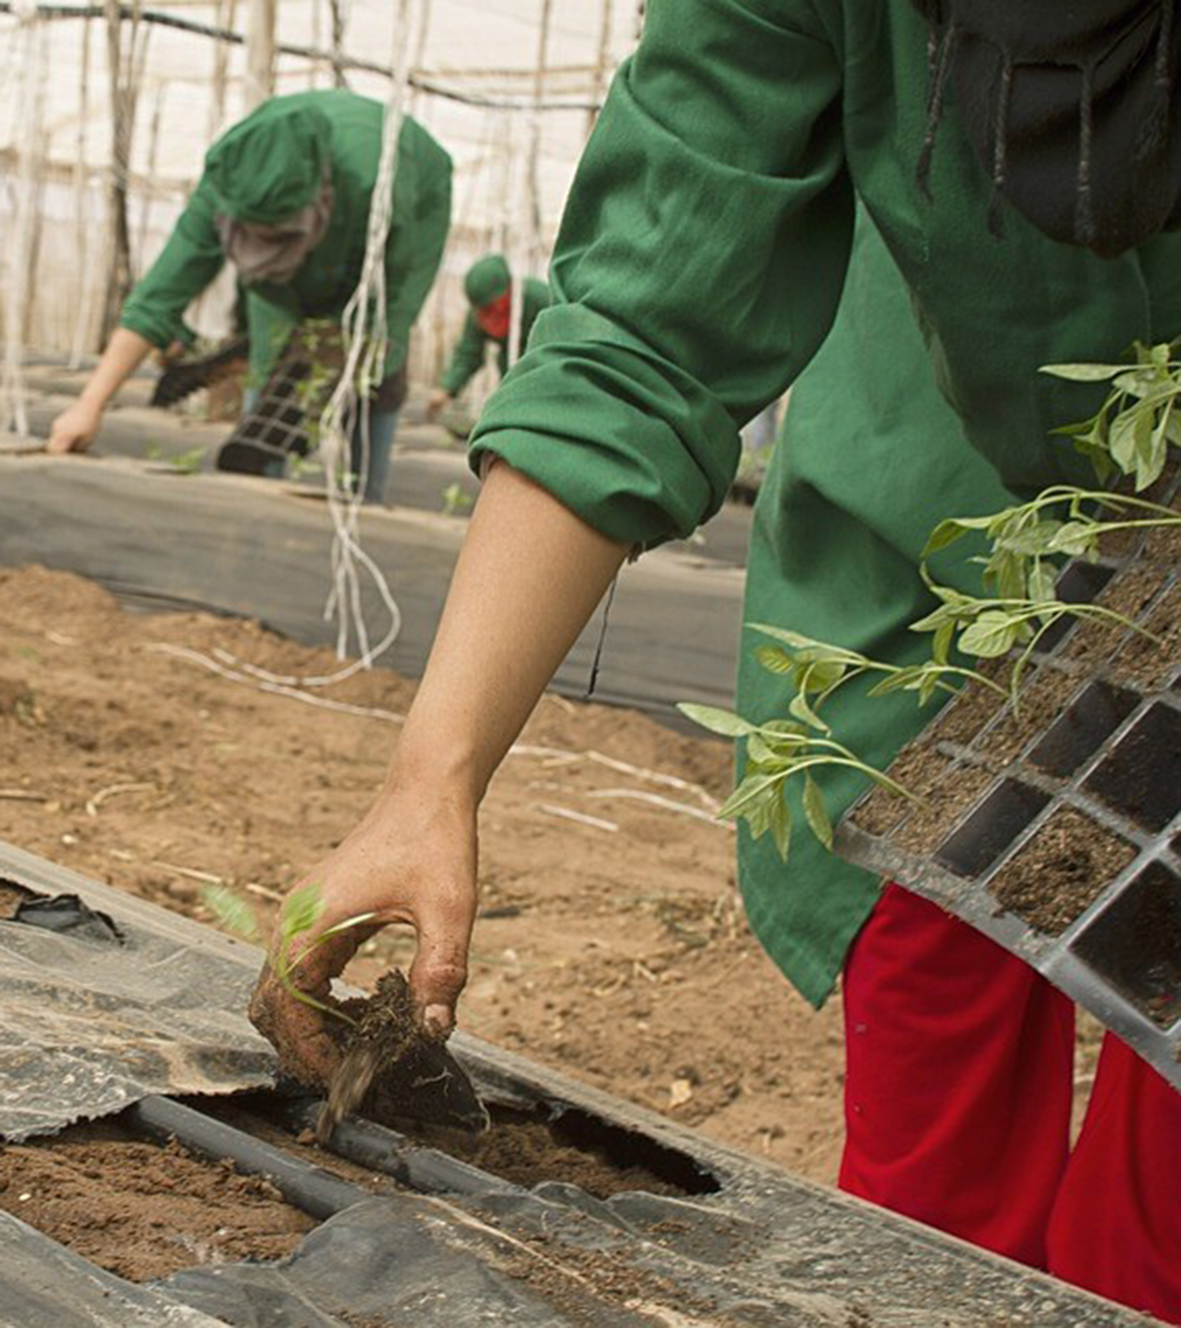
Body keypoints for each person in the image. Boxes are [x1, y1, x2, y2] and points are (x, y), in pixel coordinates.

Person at [249, 3, 1181, 1320]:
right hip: (937, 541)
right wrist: (430, 780)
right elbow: (644, 323)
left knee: (1158, 1208)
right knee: (932, 1152)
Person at [48, 89, 452, 504]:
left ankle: (364, 499)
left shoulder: (379, 185)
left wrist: (344, 351)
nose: (267, 249)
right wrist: (89, 405)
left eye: (279, 237)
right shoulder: (228, 178)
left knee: (374, 357)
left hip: (409, 202)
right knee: (271, 348)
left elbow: (388, 299)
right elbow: (159, 297)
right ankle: (261, 478)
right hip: (307, 241)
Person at [426, 254, 550, 420]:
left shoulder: (540, 298)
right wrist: (447, 389)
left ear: (508, 289)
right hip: (511, 371)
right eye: (483, 310)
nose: (490, 317)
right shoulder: (478, 315)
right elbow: (468, 354)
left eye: (493, 308)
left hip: (546, 367)